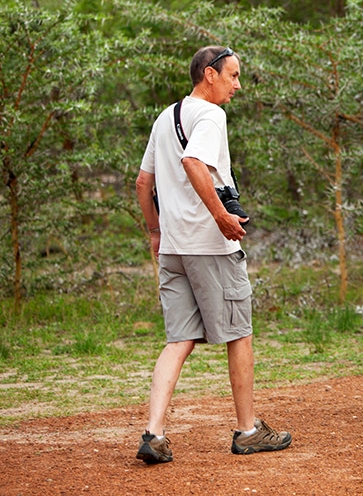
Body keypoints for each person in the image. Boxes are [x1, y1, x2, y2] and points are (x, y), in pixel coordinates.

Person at [134, 46, 292, 464]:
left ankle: (154, 432)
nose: (238, 85)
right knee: (239, 332)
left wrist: (155, 231)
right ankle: (248, 430)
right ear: (210, 74)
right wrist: (222, 216)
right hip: (210, 246)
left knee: (178, 338)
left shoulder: (165, 117)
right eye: (233, 76)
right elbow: (193, 161)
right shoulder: (211, 115)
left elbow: (141, 182)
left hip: (172, 247)